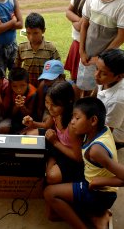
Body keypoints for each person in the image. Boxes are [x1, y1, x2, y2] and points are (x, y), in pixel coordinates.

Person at [44, 97, 124, 229]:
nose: (72, 122)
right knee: (51, 213)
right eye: (72, 117)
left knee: (49, 193)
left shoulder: (96, 150)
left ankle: (90, 221)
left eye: (77, 118)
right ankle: (95, 215)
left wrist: (101, 181)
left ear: (93, 120)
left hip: (100, 194)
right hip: (92, 182)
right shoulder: (101, 129)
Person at [77, 0, 124, 93]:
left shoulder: (121, 3)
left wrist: (101, 59)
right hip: (87, 56)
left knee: (100, 92)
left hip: (105, 63)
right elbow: (84, 25)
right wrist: (82, 51)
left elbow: (121, 36)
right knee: (83, 87)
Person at [23, 81, 84, 184]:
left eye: (54, 105)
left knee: (51, 177)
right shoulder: (57, 112)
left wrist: (55, 142)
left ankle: (51, 157)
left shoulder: (72, 125)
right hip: (56, 143)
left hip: (69, 155)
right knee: (28, 136)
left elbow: (78, 158)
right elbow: (46, 126)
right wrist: (32, 124)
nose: (49, 108)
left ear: (68, 103)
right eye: (47, 102)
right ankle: (51, 157)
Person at [64, 0, 96, 82]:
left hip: (87, 46)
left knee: (86, 81)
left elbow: (81, 26)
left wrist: (75, 21)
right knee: (74, 77)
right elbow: (68, 12)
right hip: (76, 42)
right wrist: (77, 20)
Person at [14, 12, 61, 87]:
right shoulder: (21, 47)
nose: (31, 37)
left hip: (46, 87)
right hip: (27, 87)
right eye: (28, 33)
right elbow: (17, 67)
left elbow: (58, 68)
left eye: (35, 33)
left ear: (43, 31)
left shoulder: (50, 48)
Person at [95, 48, 124, 148]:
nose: (96, 75)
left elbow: (107, 133)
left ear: (119, 76)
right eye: (96, 68)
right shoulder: (105, 80)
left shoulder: (117, 100)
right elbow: (94, 96)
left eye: (103, 73)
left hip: (114, 140)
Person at [8, 67, 37, 133]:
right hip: (15, 118)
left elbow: (30, 113)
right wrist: (16, 106)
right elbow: (10, 114)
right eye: (15, 86)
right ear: (10, 85)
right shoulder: (9, 90)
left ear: (27, 83)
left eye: (22, 85)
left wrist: (22, 106)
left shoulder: (33, 93)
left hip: (28, 118)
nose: (19, 89)